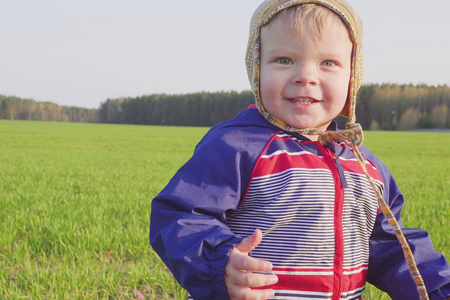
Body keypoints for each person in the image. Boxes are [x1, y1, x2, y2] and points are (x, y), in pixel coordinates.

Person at [150, 0, 450, 299]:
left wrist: (438, 289)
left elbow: (390, 246)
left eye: (328, 63)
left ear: (353, 77)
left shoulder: (366, 166)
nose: (305, 76)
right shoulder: (236, 146)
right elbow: (180, 217)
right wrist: (220, 262)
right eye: (284, 60)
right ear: (256, 67)